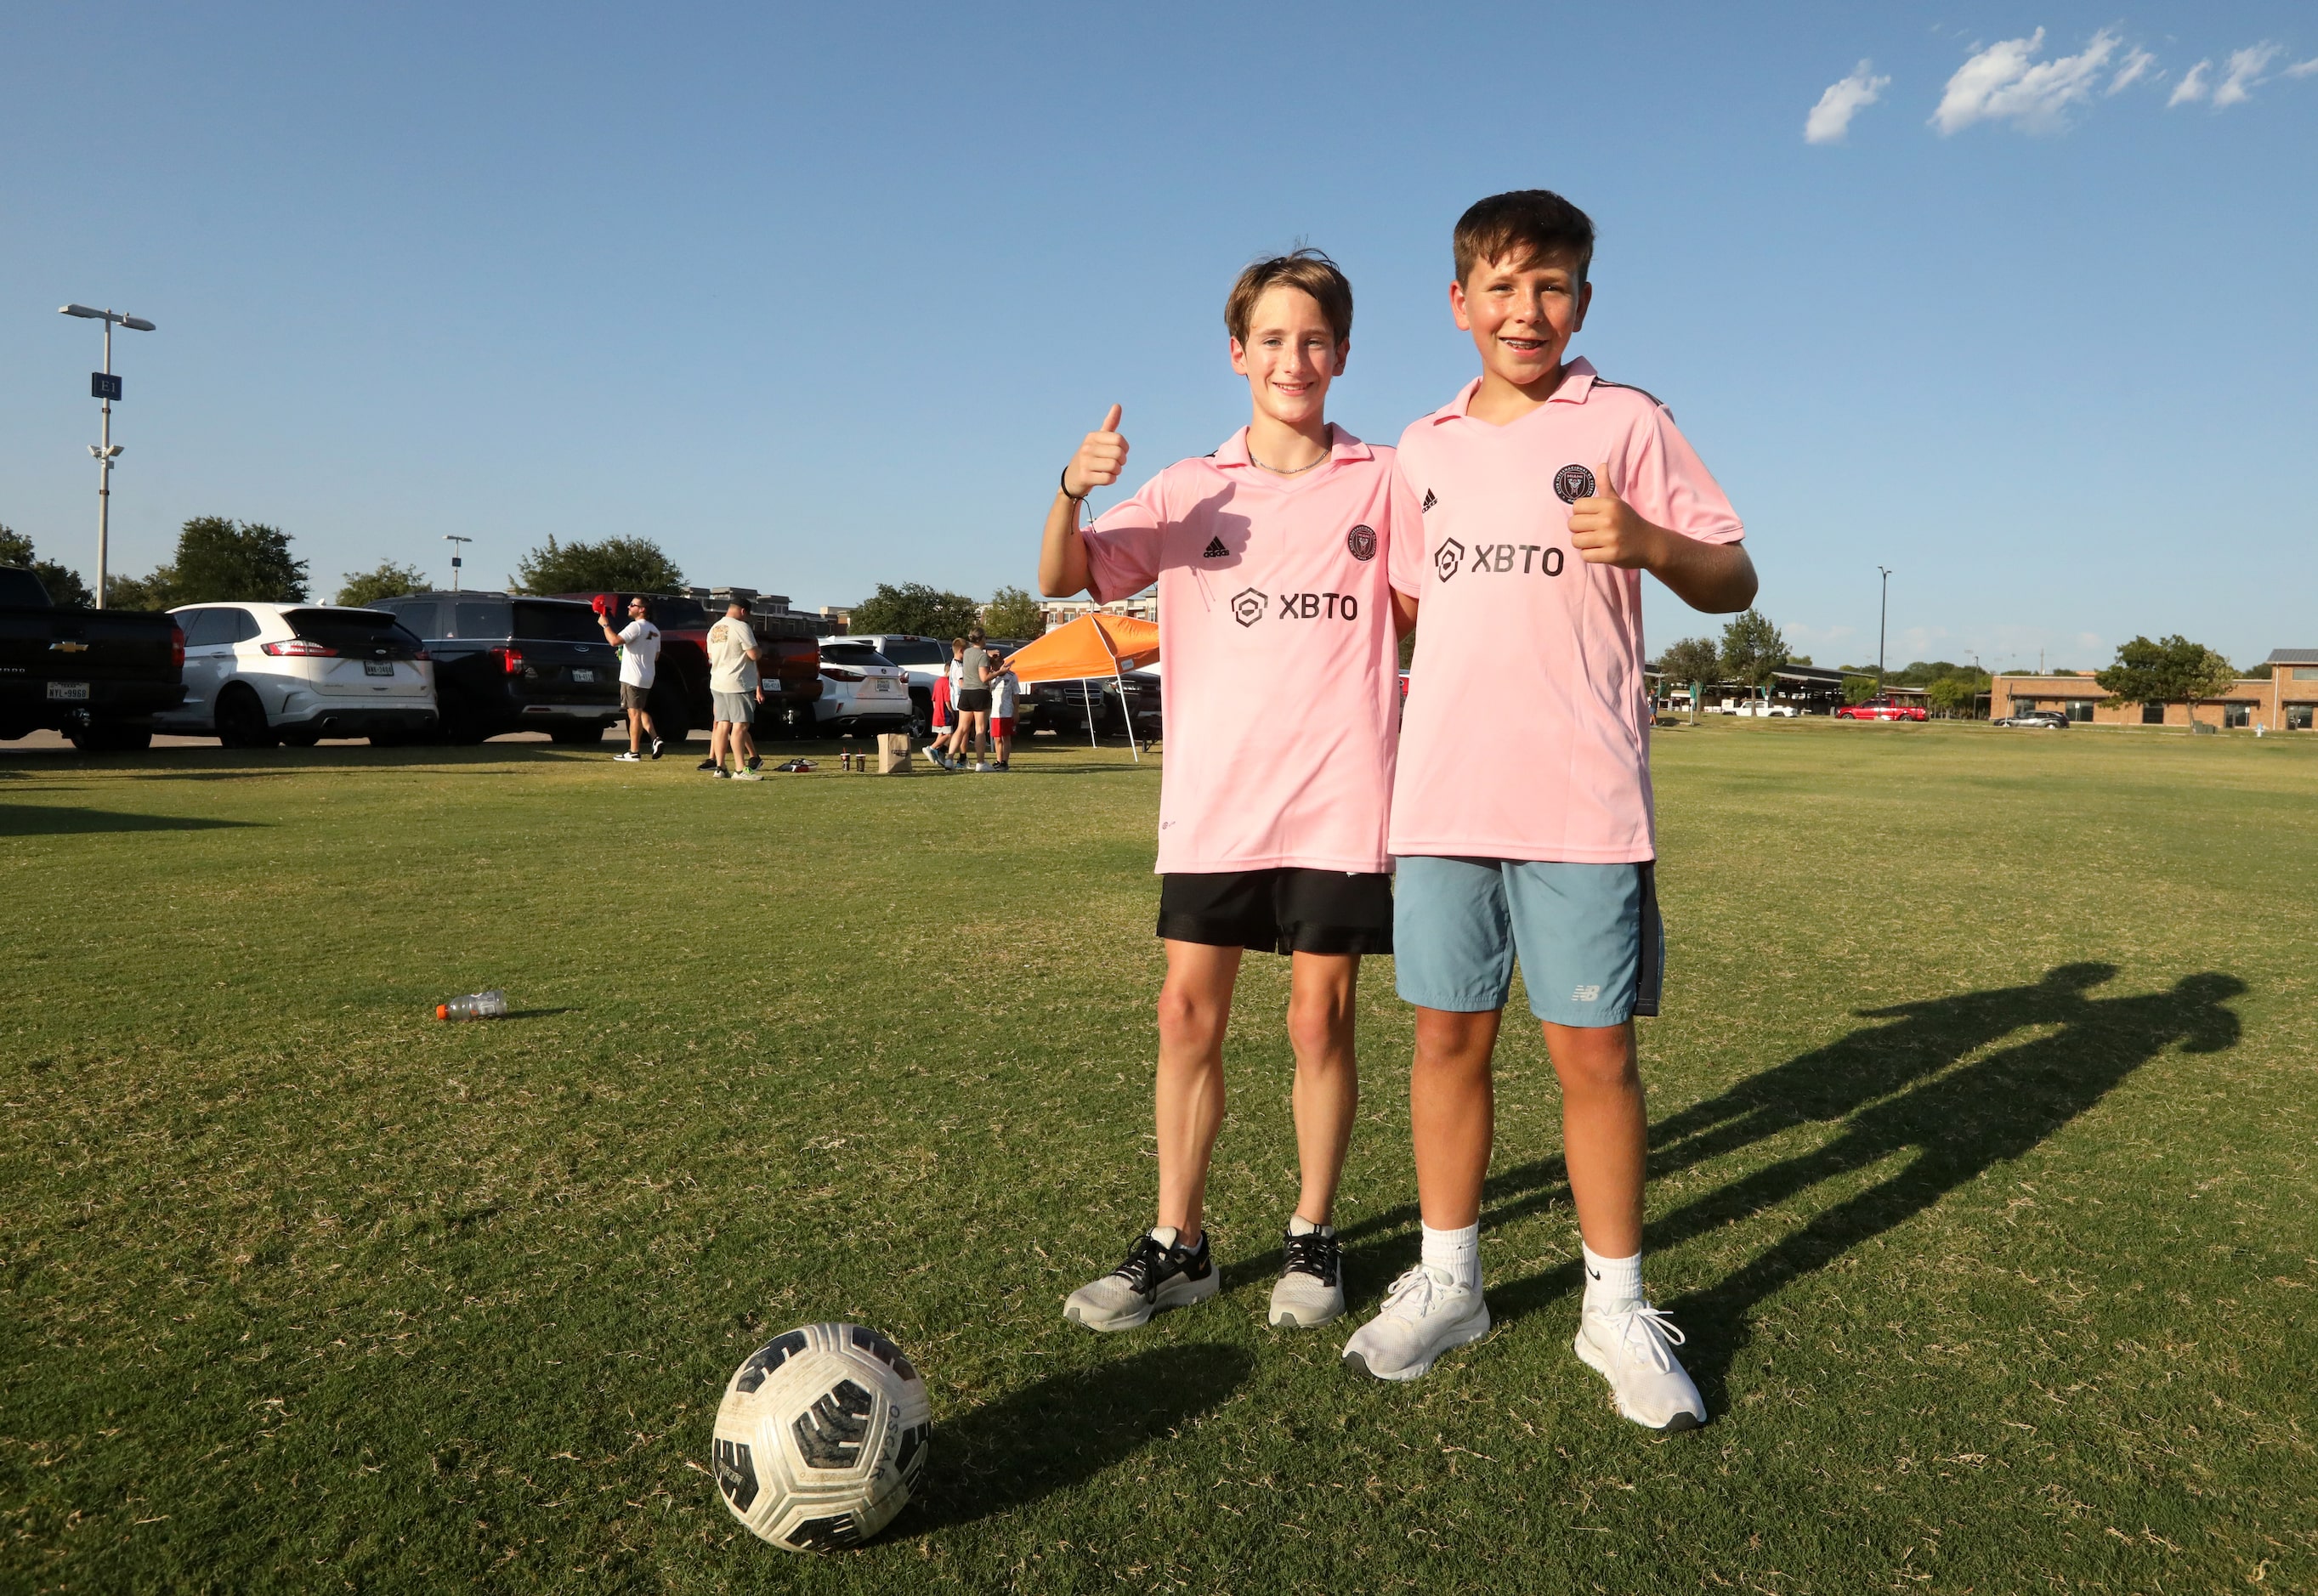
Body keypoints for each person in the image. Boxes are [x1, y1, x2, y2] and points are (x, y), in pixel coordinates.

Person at [1338, 191, 1757, 1433]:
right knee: (1442, 1043)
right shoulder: (1420, 448)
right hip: (1442, 796)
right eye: (1503, 286)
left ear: (1581, 299)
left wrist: (1645, 541)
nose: (1528, 310)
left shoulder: (1626, 420)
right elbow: (1401, 612)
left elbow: (1733, 574)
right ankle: (1450, 1281)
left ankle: (1614, 1307)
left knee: (1594, 1055)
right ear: (1458, 301)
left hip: (1579, 794)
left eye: (1554, 286)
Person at [1038, 249, 1414, 1335]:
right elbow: (1066, 576)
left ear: (1340, 354)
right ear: (1237, 352)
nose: (1293, 358)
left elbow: (1431, 610)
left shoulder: (1387, 478)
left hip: (1342, 796)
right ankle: (1179, 1243)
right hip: (1216, 799)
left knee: (1319, 1019)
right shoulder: (1187, 486)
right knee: (1184, 1012)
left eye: (1314, 339)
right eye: (1272, 339)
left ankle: (1312, 1235)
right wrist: (1075, 486)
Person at [704, 597, 764, 782]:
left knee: (722, 725)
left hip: (717, 682)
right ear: (744, 611)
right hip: (737, 683)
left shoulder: (714, 629)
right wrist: (760, 651)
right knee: (740, 725)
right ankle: (740, 769)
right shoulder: (741, 627)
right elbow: (753, 654)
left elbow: (711, 655)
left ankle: (720, 767)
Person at [598, 595, 664, 761]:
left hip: (632, 677)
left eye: (632, 605)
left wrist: (605, 624)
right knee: (639, 710)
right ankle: (655, 738)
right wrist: (626, 652)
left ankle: (634, 751)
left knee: (633, 714)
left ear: (642, 609)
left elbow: (614, 641)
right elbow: (655, 656)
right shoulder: (655, 630)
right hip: (647, 676)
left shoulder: (635, 626)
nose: (629, 607)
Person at [950, 628, 995, 771]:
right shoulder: (983, 657)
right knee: (980, 729)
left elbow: (974, 652)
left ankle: (949, 759)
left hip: (966, 693)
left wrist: (988, 653)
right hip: (979, 692)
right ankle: (980, 763)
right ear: (981, 639)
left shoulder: (967, 652)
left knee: (961, 728)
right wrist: (999, 672)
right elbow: (984, 678)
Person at [987, 648, 1018, 770]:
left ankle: (1005, 761)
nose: (994, 667)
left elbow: (1016, 694)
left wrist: (1016, 711)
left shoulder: (1012, 676)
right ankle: (998, 760)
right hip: (995, 712)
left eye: (996, 664)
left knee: (1006, 737)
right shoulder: (992, 676)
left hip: (1007, 711)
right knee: (996, 738)